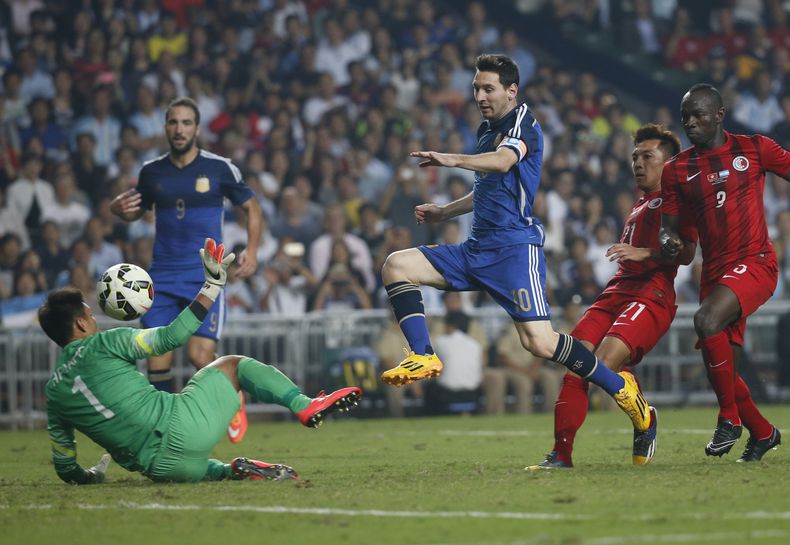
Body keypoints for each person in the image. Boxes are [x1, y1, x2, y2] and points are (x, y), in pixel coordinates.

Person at [378, 54, 651, 436]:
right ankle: (423, 355)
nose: (480, 96)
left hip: (513, 252)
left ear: (511, 90)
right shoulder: (486, 130)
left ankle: (620, 387)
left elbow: (504, 162)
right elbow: (486, 188)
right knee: (396, 265)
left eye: (488, 89)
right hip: (476, 249)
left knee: (540, 343)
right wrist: (445, 212)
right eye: (476, 88)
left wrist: (451, 159)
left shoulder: (524, 123)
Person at [42, 238, 361, 484]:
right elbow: (171, 337)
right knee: (234, 365)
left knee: (199, 468)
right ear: (80, 324)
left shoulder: (54, 393)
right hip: (182, 426)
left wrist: (91, 476)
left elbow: (65, 466)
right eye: (89, 315)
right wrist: (212, 286)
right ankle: (305, 405)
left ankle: (229, 470)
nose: (94, 319)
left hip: (160, 467)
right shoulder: (104, 343)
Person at [527, 124, 698, 470]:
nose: (638, 163)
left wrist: (644, 252)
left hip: (651, 293)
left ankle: (644, 418)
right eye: (635, 157)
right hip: (617, 290)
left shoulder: (677, 202)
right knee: (575, 365)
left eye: (647, 156)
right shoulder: (641, 201)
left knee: (602, 364)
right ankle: (561, 455)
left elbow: (686, 253)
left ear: (668, 163)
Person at [110, 97, 262, 444]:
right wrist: (119, 212)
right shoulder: (151, 172)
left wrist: (252, 250)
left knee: (198, 356)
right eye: (173, 122)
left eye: (186, 123)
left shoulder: (220, 168)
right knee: (157, 359)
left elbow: (252, 208)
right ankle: (164, 433)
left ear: (197, 128)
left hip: (204, 277)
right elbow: (137, 211)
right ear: (165, 127)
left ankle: (232, 398)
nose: (179, 129)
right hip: (161, 277)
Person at [660, 83, 784, 462]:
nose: (689, 122)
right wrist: (669, 241)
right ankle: (763, 433)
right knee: (725, 370)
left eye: (697, 115)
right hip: (714, 274)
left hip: (756, 261)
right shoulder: (676, 170)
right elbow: (672, 229)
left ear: (719, 115)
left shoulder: (755, 148)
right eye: (685, 117)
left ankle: (728, 418)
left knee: (705, 320)